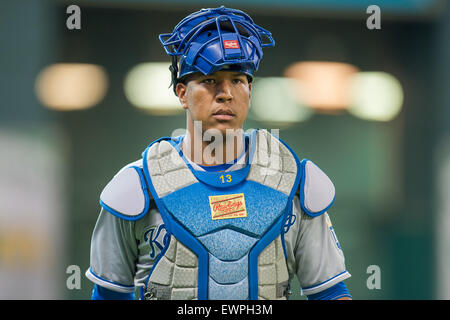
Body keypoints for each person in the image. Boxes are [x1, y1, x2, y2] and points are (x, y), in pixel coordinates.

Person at [85, 6, 352, 300]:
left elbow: (331, 292)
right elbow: (110, 294)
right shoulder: (136, 187)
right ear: (182, 93)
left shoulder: (293, 183)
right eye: (210, 80)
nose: (225, 93)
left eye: (237, 80)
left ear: (249, 91)